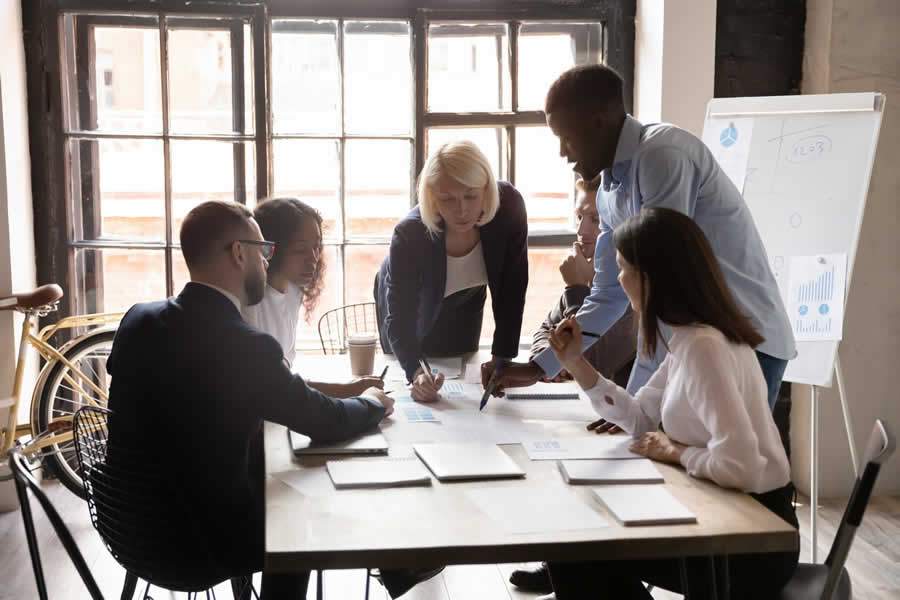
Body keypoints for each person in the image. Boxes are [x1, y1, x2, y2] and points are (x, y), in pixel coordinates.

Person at [105, 200, 394, 599]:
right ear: (240, 253)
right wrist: (375, 401)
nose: (266, 261)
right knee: (300, 517)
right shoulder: (244, 345)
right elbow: (324, 420)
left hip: (124, 526)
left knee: (281, 477)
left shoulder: (138, 318)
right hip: (193, 546)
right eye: (263, 250)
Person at [487, 64, 795, 412]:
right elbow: (608, 295)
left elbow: (664, 285)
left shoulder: (663, 155)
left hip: (746, 342)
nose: (563, 153)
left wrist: (633, 403)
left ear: (598, 122)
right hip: (699, 344)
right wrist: (539, 367)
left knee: (729, 463)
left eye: (567, 138)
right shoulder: (608, 188)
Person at [545, 207, 799, 600]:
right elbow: (641, 417)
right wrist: (575, 364)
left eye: (622, 268)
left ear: (650, 278)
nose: (618, 280)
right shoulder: (688, 338)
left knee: (577, 551)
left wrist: (676, 451)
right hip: (727, 522)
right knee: (578, 547)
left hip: (751, 545)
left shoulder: (702, 346)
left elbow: (741, 466)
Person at [508, 178, 637, 594]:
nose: (582, 229)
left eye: (595, 219)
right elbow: (545, 335)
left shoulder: (628, 286)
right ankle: (560, 560)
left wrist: (578, 290)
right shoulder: (591, 268)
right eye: (580, 215)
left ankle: (573, 560)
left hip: (616, 423)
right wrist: (555, 356)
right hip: (592, 410)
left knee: (564, 473)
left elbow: (600, 356)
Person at [375, 140, 529, 402]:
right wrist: (415, 373)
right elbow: (399, 320)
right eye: (447, 199)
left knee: (462, 375)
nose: (462, 210)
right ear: (433, 197)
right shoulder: (409, 234)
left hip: (467, 299)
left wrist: (502, 358)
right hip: (412, 305)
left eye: (471, 195)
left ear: (486, 189)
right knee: (420, 380)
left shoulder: (509, 208)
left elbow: (513, 289)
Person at [245, 197, 383, 396]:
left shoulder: (293, 290)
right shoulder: (252, 303)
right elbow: (271, 386)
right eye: (300, 249)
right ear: (272, 249)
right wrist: (346, 390)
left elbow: (284, 375)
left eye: (317, 247)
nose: (313, 258)